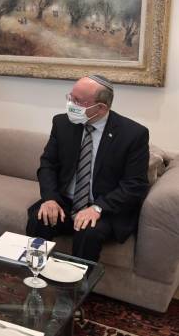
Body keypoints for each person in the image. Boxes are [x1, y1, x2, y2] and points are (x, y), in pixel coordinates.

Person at [26, 75, 149, 261]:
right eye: (70, 97)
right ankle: (31, 275)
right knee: (40, 217)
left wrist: (98, 208)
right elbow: (48, 164)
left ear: (101, 108)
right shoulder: (62, 123)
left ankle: (76, 288)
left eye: (78, 101)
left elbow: (135, 185)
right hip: (65, 201)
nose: (70, 104)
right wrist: (50, 199)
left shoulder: (133, 134)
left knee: (88, 233)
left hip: (104, 207)